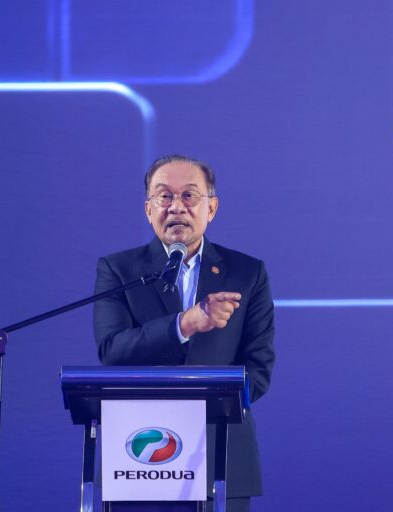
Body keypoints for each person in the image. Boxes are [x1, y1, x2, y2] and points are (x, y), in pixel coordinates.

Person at [93, 154, 276, 511]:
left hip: (221, 453)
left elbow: (258, 367)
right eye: (164, 196)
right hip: (139, 454)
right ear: (148, 209)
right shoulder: (119, 269)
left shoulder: (247, 272)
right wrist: (184, 325)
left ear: (212, 208)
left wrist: (207, 410)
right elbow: (113, 350)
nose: (176, 207)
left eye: (189, 195)